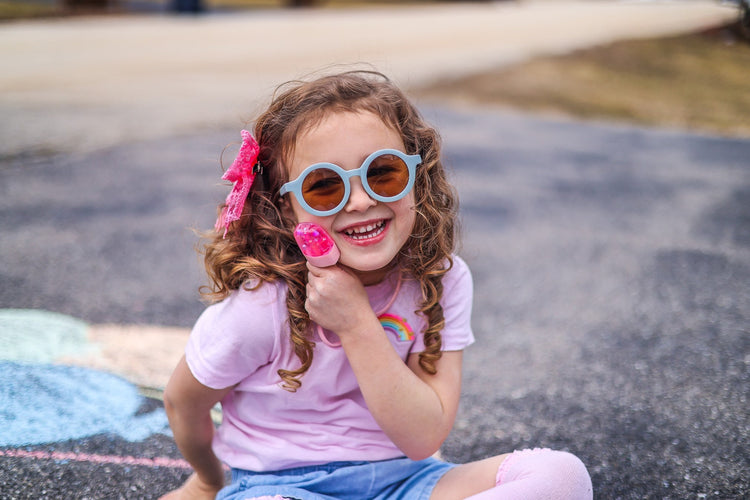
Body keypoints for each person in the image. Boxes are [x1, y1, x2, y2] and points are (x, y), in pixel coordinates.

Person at [160, 70, 593, 500]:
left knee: (560, 476)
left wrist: (355, 323)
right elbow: (184, 401)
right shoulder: (261, 306)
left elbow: (422, 438)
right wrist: (208, 481)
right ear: (287, 209)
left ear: (417, 178)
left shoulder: (440, 280)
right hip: (283, 488)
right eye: (324, 186)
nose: (362, 200)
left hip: (408, 481)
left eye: (382, 173)